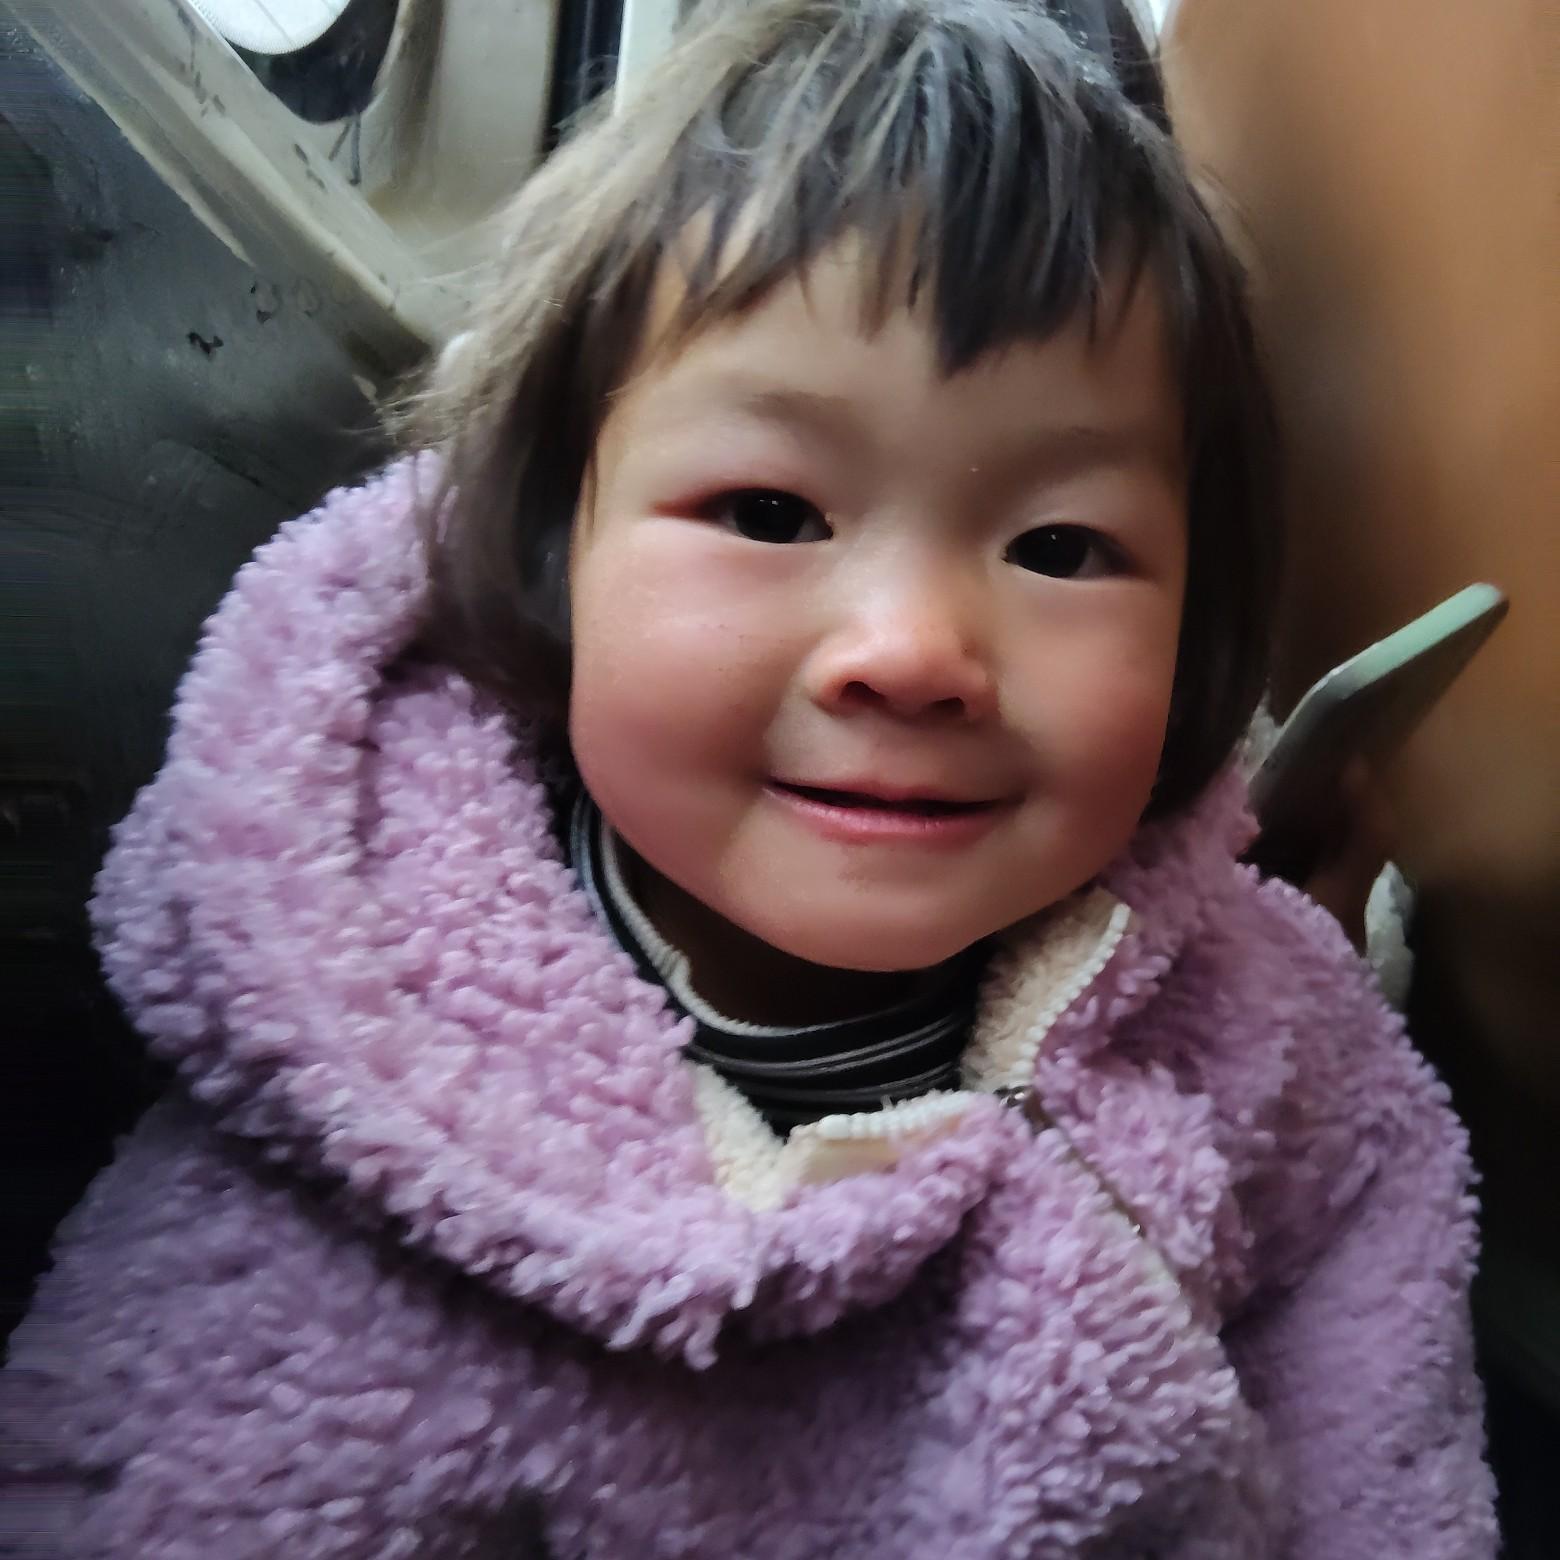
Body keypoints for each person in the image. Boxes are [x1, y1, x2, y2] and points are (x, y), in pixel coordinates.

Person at [0, 2, 1495, 1555]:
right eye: (772, 513)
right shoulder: (363, 1049)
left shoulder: (1245, 1024)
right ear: (554, 550)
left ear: (1196, 640)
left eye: (1061, 547)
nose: (912, 651)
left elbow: (1369, 1354)